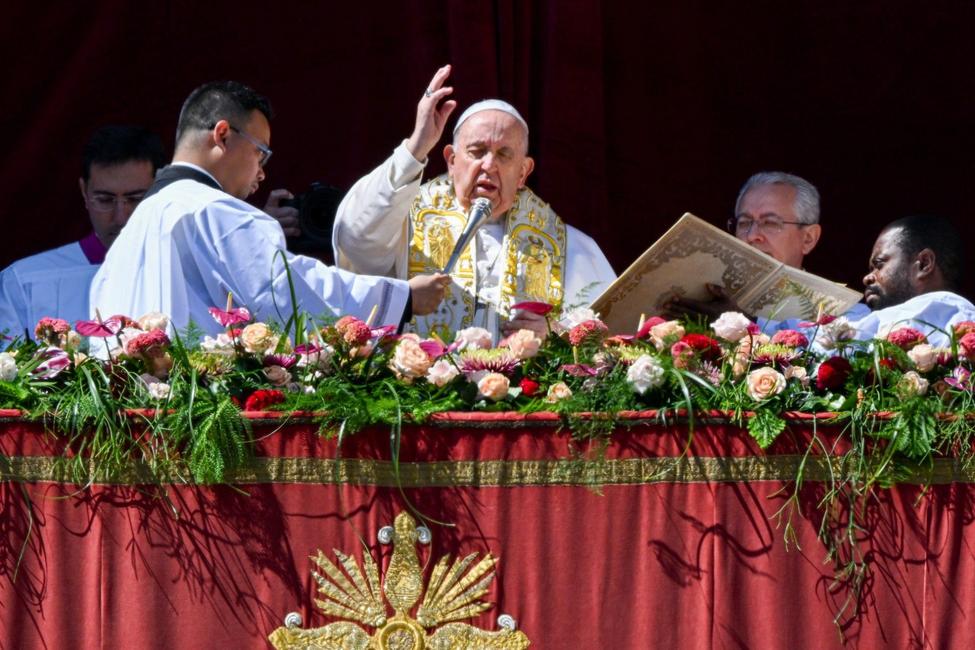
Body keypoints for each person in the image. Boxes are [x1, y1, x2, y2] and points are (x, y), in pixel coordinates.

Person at [90, 81, 448, 335]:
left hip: (129, 431)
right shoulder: (216, 212)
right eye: (260, 152)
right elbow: (287, 295)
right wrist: (401, 297)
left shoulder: (128, 236)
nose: (262, 172)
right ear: (223, 135)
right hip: (199, 426)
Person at [332, 65, 616, 339]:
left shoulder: (570, 248)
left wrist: (554, 333)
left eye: (504, 155)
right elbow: (353, 240)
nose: (488, 165)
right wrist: (416, 147)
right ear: (452, 161)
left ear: (523, 172)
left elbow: (609, 329)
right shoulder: (402, 224)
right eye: (477, 151)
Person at [0, 125, 165, 340]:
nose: (121, 217)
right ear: (84, 193)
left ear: (160, 191)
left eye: (135, 199)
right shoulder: (25, 282)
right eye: (105, 200)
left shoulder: (187, 271)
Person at [849, 215, 974, 346]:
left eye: (879, 264)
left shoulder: (953, 314)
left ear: (924, 264)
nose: (867, 278)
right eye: (870, 269)